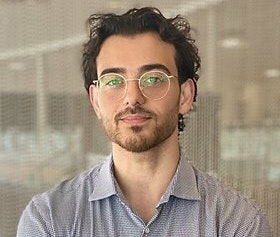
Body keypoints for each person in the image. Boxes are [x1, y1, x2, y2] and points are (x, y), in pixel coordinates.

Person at [17, 7, 272, 236]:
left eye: (153, 79)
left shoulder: (237, 223)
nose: (132, 98)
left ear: (185, 96)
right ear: (96, 101)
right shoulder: (50, 219)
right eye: (114, 81)